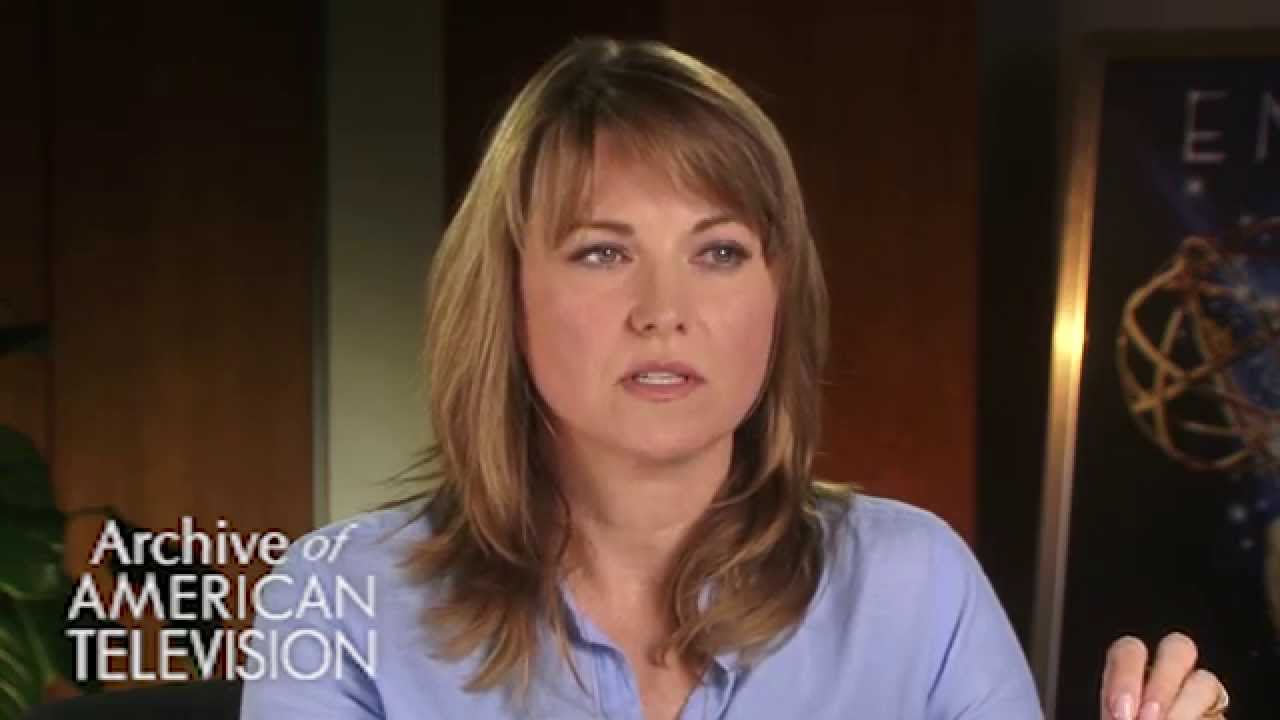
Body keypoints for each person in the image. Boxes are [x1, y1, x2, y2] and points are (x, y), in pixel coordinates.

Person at [240, 38, 1230, 719]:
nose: (663, 310)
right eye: (601, 252)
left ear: (776, 294)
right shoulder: (338, 601)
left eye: (718, 252)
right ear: (504, 294)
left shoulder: (913, 583)